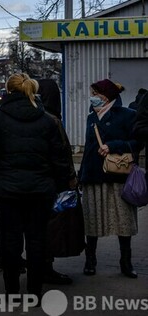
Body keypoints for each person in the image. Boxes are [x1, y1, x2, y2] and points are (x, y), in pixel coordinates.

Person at [0, 74, 73, 299]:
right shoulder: (47, 119)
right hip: (41, 190)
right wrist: (58, 185)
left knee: (11, 238)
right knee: (37, 239)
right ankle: (35, 291)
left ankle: (11, 290)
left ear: (8, 91)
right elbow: (59, 159)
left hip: (7, 190)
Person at [78, 79, 141, 278]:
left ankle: (126, 262)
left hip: (118, 175)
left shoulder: (128, 115)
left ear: (106, 96)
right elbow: (89, 147)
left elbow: (137, 142)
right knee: (92, 220)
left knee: (123, 221)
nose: (93, 97)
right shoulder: (91, 116)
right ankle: (90, 261)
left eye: (96, 93)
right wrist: (81, 174)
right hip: (93, 174)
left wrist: (113, 146)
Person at [37, 78, 77, 285]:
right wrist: (70, 178)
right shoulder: (51, 119)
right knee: (51, 227)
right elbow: (62, 153)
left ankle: (40, 266)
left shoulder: (35, 115)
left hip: (33, 181)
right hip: (52, 182)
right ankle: (46, 268)